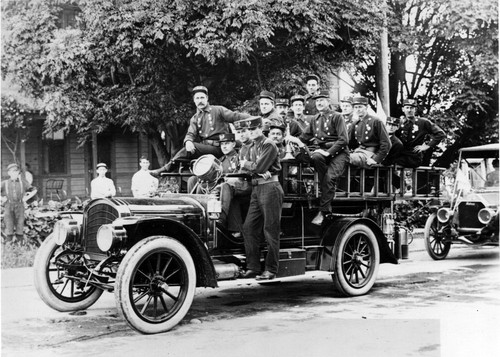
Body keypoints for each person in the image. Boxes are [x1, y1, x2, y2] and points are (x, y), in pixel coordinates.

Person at [152, 86, 250, 174]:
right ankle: (179, 177)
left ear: (207, 98)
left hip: (221, 147)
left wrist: (255, 119)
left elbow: (236, 116)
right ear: (194, 100)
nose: (200, 100)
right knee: (189, 150)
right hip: (206, 148)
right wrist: (188, 141)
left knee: (189, 150)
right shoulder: (195, 118)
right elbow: (191, 133)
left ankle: (166, 168)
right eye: (197, 98)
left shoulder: (218, 110)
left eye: (202, 97)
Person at [287, 90, 349, 225]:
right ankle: (324, 185)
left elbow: (344, 140)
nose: (319, 103)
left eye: (322, 100)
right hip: (322, 151)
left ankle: (324, 211)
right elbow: (304, 137)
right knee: (314, 157)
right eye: (317, 101)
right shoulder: (315, 119)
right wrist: (291, 140)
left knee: (329, 178)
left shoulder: (337, 116)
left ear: (328, 101)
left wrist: (329, 152)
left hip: (339, 152)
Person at [239, 116, 284, 281]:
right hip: (257, 188)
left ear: (261, 129)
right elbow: (253, 169)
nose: (251, 132)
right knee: (248, 227)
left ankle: (271, 269)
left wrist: (248, 165)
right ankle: (253, 267)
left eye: (254, 129)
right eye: (249, 130)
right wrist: (254, 168)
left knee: (270, 230)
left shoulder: (268, 144)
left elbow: (257, 167)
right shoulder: (253, 147)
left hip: (270, 188)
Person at [387, 98, 446, 168]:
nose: (409, 110)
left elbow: (440, 134)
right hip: (398, 155)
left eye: (412, 108)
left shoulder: (423, 122)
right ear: (403, 109)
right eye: (407, 108)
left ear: (415, 110)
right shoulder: (399, 122)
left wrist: (427, 146)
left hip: (413, 157)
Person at [349, 96, 391, 168]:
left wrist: (376, 159)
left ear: (366, 107)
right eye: (356, 107)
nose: (358, 110)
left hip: (369, 154)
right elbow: (349, 142)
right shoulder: (355, 123)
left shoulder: (375, 121)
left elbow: (386, 143)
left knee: (345, 158)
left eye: (360, 107)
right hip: (357, 152)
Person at [1, 163, 31, 243]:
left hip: (20, 205)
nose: (14, 173)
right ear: (8, 173)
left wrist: (26, 198)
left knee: (20, 222)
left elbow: (34, 189)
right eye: (11, 171)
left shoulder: (23, 182)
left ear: (18, 173)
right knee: (9, 222)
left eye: (15, 171)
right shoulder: (5, 183)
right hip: (8, 205)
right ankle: (9, 243)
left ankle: (20, 243)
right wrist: (2, 199)